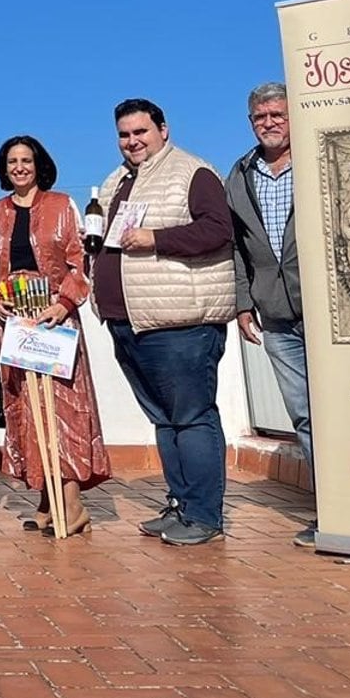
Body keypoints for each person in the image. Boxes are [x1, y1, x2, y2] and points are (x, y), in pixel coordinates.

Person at [91, 99, 236, 546]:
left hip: (180, 324)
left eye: (141, 132)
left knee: (192, 418)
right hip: (131, 323)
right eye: (124, 134)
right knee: (166, 420)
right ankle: (181, 504)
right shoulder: (116, 181)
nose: (132, 141)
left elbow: (218, 229)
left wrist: (156, 238)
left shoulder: (193, 173)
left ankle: (204, 516)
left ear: (163, 130)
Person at [0, 136, 111, 537]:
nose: (19, 167)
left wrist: (65, 303)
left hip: (55, 321)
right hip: (13, 323)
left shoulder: (61, 205)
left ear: (39, 165)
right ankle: (46, 501)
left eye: (26, 160)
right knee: (29, 413)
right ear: (3, 168)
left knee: (63, 412)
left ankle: (72, 505)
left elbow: (80, 260)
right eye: (12, 161)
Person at [223, 83, 315, 547]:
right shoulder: (240, 175)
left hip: (326, 309)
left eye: (277, 114)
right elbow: (236, 247)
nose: (269, 123)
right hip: (275, 313)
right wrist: (243, 302)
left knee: (342, 408)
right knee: (302, 413)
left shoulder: (320, 159)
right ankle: (331, 509)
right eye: (260, 117)